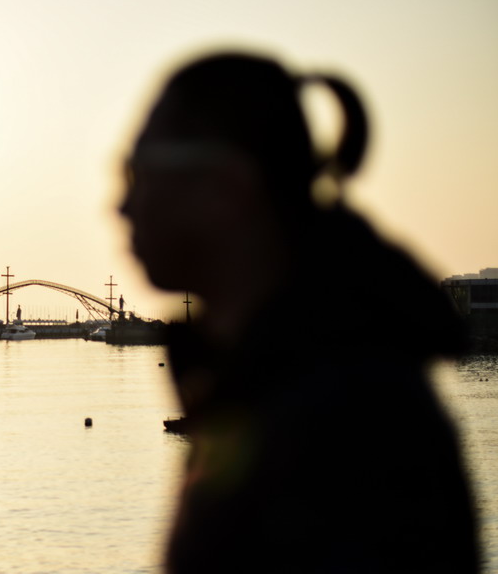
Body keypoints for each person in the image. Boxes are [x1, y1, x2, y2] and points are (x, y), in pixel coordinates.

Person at [119, 52, 479, 572]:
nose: (122, 206)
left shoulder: (351, 422)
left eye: (138, 173)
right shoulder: (271, 378)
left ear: (227, 187)